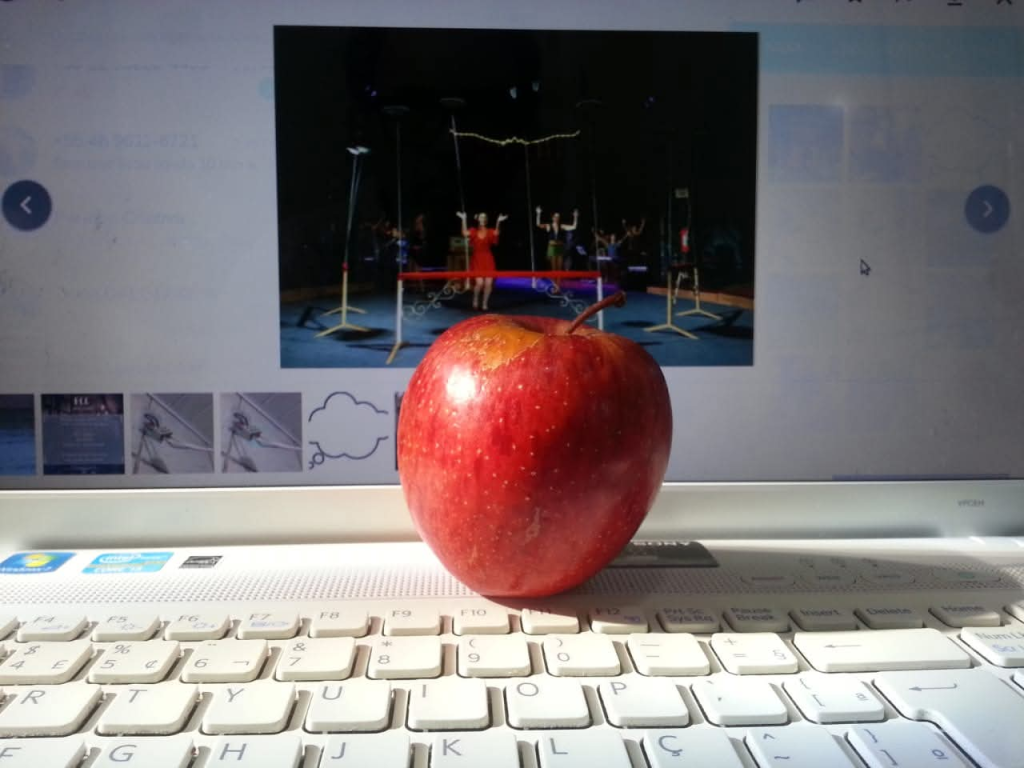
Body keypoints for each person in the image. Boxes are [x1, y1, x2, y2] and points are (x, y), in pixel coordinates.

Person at [457, 211, 507, 311]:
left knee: (488, 283)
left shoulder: (489, 231)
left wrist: (498, 221)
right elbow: (464, 233)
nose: (482, 219)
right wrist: (463, 219)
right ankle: (475, 299)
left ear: (486, 220)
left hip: (488, 258)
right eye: (481, 217)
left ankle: (484, 303)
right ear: (478, 219)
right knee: (479, 283)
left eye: (484, 217)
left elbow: (496, 233)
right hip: (477, 259)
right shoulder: (474, 231)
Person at [536, 207, 579, 290]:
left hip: (559, 247)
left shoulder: (561, 226)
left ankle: (557, 287)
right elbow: (538, 225)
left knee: (559, 268)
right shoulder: (549, 226)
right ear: (552, 217)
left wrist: (575, 216)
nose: (557, 218)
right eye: (555, 216)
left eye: (558, 217)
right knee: (554, 268)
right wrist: (538, 214)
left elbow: (574, 226)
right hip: (552, 247)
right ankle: (555, 285)